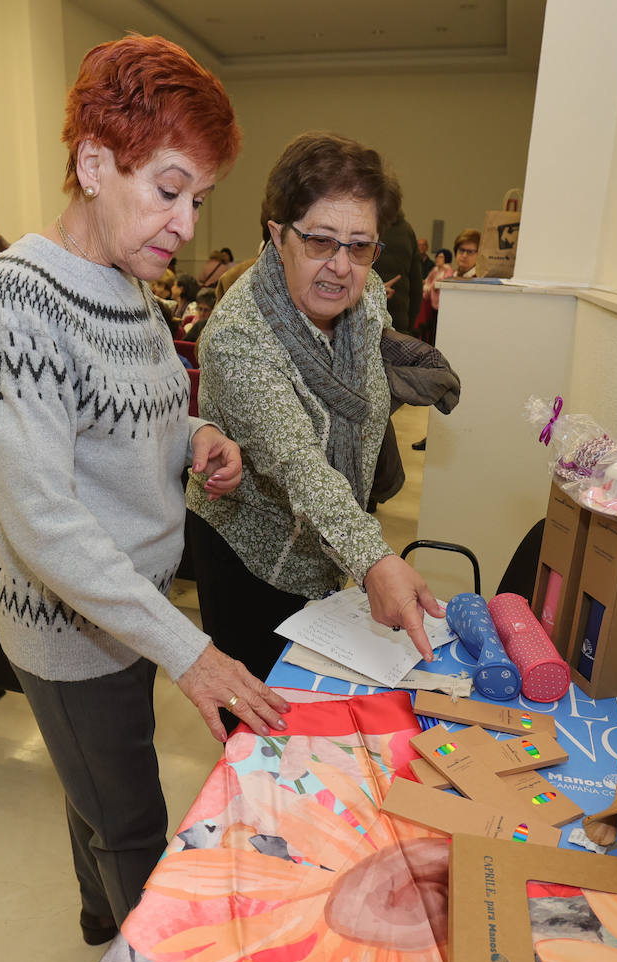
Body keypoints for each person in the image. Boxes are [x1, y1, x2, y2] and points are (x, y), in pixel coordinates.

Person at [0, 34, 288, 945]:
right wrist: (192, 654)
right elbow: (39, 516)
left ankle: (97, 913)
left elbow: (133, 416)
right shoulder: (18, 298)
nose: (186, 223)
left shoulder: (128, 281)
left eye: (199, 199)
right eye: (170, 189)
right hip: (70, 625)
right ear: (94, 162)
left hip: (129, 609)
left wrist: (198, 434)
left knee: (95, 786)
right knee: (133, 820)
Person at [185, 130, 444, 680]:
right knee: (262, 721)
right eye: (320, 241)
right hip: (254, 562)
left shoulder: (368, 293)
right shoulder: (240, 336)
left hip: (332, 540)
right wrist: (374, 559)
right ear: (278, 236)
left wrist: (391, 360)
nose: (342, 266)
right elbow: (300, 466)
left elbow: (360, 366)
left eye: (360, 245)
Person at [372, 210, 423, 333]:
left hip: (364, 319)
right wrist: (409, 326)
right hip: (399, 321)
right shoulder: (407, 230)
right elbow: (416, 286)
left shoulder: (364, 226)